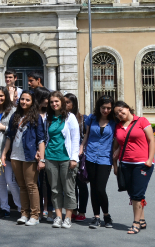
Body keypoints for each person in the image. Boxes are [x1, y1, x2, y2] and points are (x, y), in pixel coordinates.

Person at [0, 90, 46, 226]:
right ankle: (24, 213)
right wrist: (4, 154)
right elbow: (9, 136)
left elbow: (41, 139)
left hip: (29, 155)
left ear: (32, 102)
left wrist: (42, 159)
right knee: (22, 186)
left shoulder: (36, 117)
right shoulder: (16, 115)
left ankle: (35, 215)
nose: (24, 102)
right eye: (22, 99)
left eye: (27, 100)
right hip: (15, 156)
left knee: (31, 185)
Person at [112, 101, 155, 235]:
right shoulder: (118, 126)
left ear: (128, 108)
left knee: (137, 194)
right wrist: (116, 163)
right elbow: (118, 144)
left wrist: (149, 160)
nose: (120, 114)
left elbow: (151, 140)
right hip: (125, 163)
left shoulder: (142, 121)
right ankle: (141, 219)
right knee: (132, 193)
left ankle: (135, 223)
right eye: (117, 113)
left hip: (142, 163)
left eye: (121, 110)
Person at [44, 91, 80, 229]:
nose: (54, 104)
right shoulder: (48, 118)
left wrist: (74, 158)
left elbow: (76, 138)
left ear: (62, 102)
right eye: (52, 102)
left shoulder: (70, 117)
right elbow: (46, 138)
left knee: (68, 189)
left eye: (56, 101)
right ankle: (58, 217)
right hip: (50, 157)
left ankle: (68, 218)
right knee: (55, 189)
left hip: (66, 158)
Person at [80, 95, 115, 229]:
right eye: (103, 108)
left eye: (108, 108)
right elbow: (86, 135)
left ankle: (106, 215)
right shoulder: (92, 118)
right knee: (93, 188)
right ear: (98, 107)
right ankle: (96, 217)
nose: (105, 110)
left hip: (105, 158)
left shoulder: (114, 121)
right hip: (90, 156)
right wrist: (82, 147)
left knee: (100, 188)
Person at [0, 86, 20, 219]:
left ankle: (20, 207)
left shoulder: (13, 111)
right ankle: (4, 208)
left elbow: (17, 128)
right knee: (0, 181)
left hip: (7, 151)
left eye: (1, 96)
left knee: (10, 180)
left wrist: (4, 127)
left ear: (6, 97)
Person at [65, 93, 88, 222]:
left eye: (68, 102)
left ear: (73, 104)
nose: (66, 104)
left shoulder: (82, 119)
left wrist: (81, 149)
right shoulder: (62, 117)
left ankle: (82, 211)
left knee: (81, 184)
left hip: (80, 155)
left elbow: (86, 136)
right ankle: (72, 209)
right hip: (66, 155)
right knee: (71, 185)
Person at [34, 86, 53, 221]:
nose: (48, 101)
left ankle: (49, 210)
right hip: (33, 152)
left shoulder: (50, 115)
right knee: (37, 183)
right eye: (45, 98)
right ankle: (39, 210)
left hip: (49, 152)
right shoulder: (33, 114)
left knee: (48, 183)